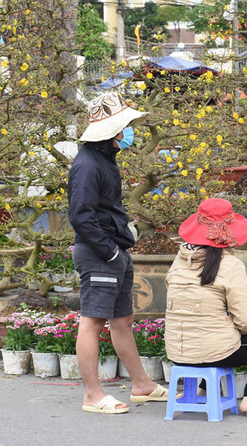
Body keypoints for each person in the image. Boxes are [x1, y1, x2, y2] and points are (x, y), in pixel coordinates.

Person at [68, 92, 169, 414]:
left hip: (113, 250)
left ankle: (142, 384)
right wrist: (109, 252)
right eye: (125, 125)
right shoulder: (87, 164)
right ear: (112, 130)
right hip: (100, 253)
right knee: (92, 322)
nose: (129, 131)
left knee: (122, 320)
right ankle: (92, 395)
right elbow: (80, 215)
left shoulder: (103, 160)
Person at [165, 197, 247, 417]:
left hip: (177, 352)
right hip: (214, 353)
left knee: (209, 332)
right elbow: (246, 322)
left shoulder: (180, 260)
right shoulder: (230, 265)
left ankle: (201, 391)